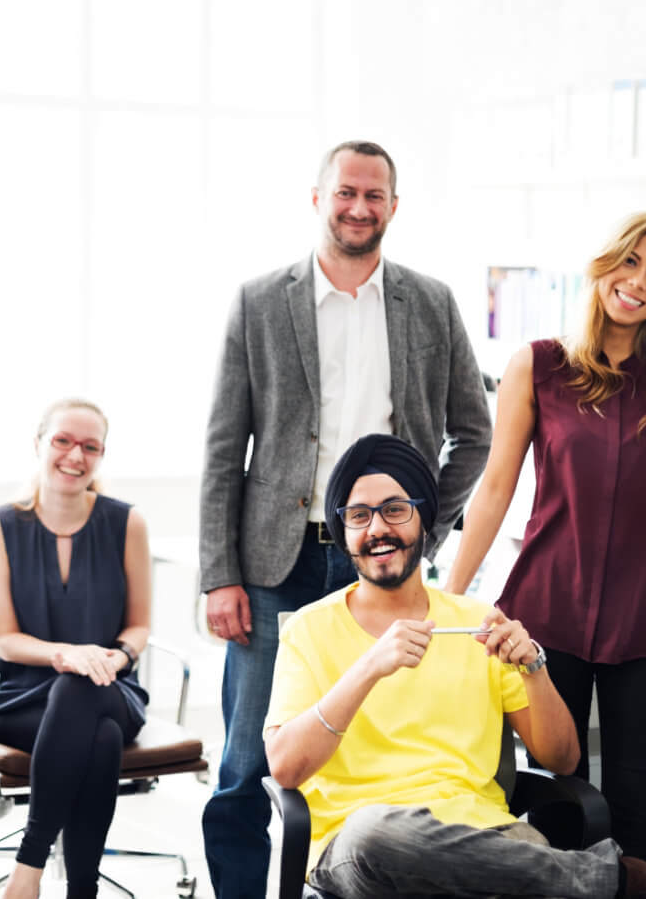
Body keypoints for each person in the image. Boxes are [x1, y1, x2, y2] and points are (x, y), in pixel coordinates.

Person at [196, 139, 493, 898]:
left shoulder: (429, 301)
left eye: (375, 195)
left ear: (394, 205)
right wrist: (219, 575)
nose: (359, 208)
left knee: (370, 735)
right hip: (277, 560)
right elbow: (225, 445)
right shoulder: (261, 300)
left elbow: (475, 430)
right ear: (318, 197)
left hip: (389, 556)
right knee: (247, 762)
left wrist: (428, 520)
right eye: (346, 192)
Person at [263, 433, 646, 899]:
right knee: (375, 831)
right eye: (359, 515)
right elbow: (285, 768)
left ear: (424, 518)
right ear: (344, 533)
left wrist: (534, 668)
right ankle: (613, 881)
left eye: (395, 509)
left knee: (486, 863)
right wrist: (369, 667)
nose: (377, 527)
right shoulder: (309, 630)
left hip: (486, 841)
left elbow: (563, 759)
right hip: (363, 851)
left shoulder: (476, 623)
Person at [437, 212, 646, 876]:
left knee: (635, 814)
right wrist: (448, 599)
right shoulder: (537, 365)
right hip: (545, 620)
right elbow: (494, 489)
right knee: (560, 808)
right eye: (631, 263)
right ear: (604, 266)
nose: (639, 283)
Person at [0, 398, 153, 899]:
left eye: (90, 446)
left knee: (86, 692)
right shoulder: (0, 526)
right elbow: (4, 640)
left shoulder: (127, 523)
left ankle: (26, 871)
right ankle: (82, 892)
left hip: (111, 687)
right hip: (24, 698)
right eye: (63, 441)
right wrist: (64, 654)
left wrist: (114, 657)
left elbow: (139, 626)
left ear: (101, 456)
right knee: (99, 741)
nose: (75, 456)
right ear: (39, 443)